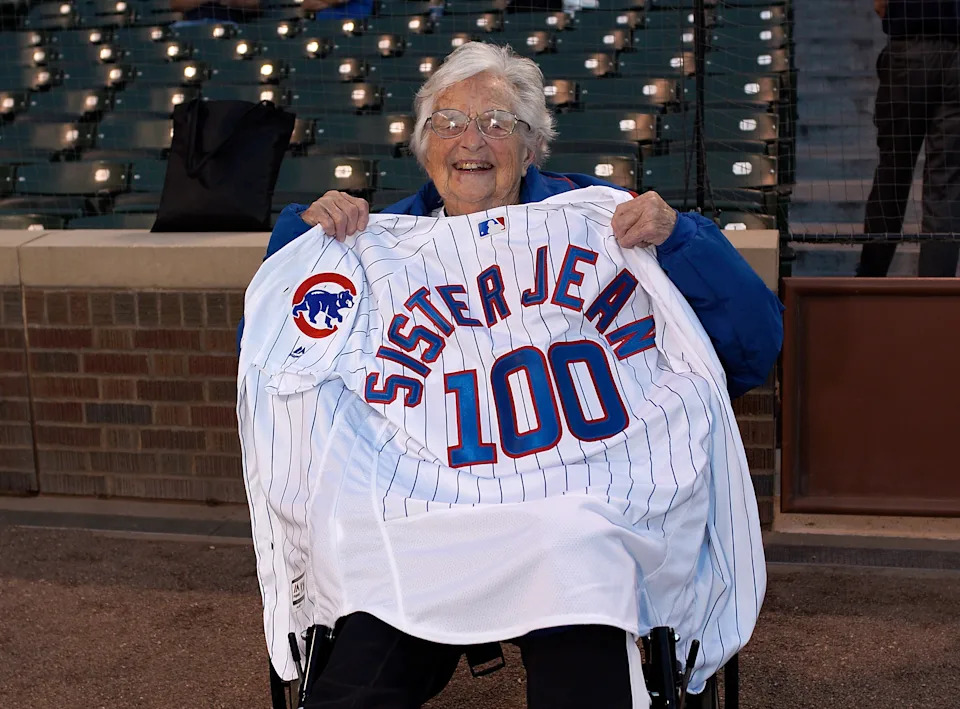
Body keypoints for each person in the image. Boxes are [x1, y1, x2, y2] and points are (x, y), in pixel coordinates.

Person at [246, 42, 783, 709]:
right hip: (424, 514)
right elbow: (275, 365)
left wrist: (681, 240)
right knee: (356, 678)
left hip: (571, 512)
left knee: (583, 603)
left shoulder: (604, 226)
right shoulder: (376, 245)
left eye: (498, 123)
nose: (472, 141)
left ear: (532, 146)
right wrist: (302, 249)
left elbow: (753, 344)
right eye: (448, 122)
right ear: (422, 145)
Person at [858, 0, 960, 277]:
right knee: (947, 184)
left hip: (908, 51)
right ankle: (935, 297)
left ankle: (870, 283)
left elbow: (881, 5)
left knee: (893, 173)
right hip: (956, 55)